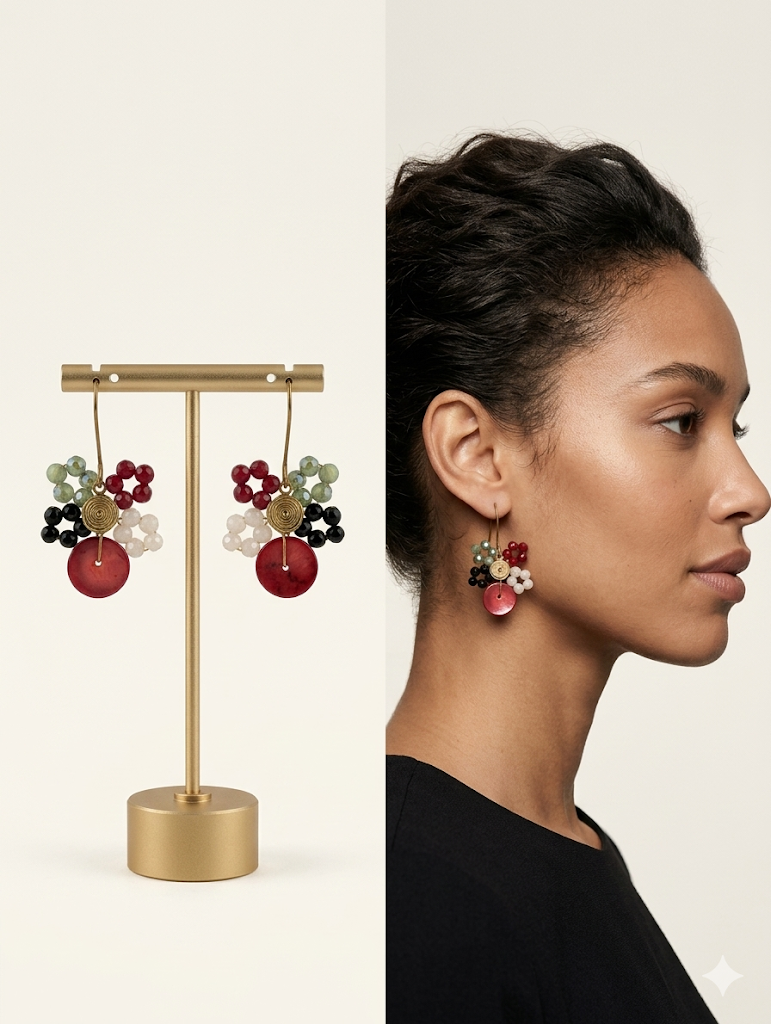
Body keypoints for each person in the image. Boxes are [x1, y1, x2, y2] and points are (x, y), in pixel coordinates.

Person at [385, 132, 770, 1023]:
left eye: (734, 428)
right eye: (680, 421)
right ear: (477, 456)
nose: (748, 492)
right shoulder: (417, 907)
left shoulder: (560, 852)